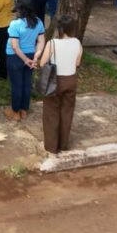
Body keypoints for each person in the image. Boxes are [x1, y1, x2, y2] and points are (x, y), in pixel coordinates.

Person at [39, 15, 83, 154]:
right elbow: (77, 63)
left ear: (60, 29)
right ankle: (64, 144)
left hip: (54, 80)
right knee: (67, 112)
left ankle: (52, 146)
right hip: (70, 80)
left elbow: (42, 63)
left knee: (51, 112)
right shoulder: (77, 42)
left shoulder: (52, 43)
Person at [5, 0, 46, 121]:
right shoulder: (38, 22)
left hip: (15, 57)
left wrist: (24, 59)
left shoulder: (15, 24)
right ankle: (24, 110)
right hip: (30, 55)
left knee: (16, 84)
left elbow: (15, 46)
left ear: (19, 9)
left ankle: (15, 111)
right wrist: (35, 57)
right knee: (26, 83)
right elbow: (41, 41)